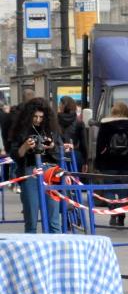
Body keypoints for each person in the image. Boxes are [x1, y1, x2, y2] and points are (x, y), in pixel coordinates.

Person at [7, 97, 64, 233]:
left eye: (41, 117)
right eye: (35, 116)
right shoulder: (21, 130)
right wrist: (25, 146)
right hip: (30, 172)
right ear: (29, 115)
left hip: (50, 172)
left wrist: (51, 145)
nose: (38, 120)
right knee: (31, 220)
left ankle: (55, 251)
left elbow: (59, 152)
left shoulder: (51, 129)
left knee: (53, 220)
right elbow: (15, 154)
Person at [93, 101, 128, 228]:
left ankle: (113, 211)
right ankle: (121, 215)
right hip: (127, 164)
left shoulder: (105, 125)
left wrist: (98, 163)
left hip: (108, 163)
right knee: (125, 190)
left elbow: (100, 145)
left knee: (109, 187)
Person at [57, 96, 88, 169]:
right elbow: (84, 145)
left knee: (61, 179)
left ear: (63, 106)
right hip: (75, 155)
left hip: (59, 154)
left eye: (60, 104)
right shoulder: (79, 122)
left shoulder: (54, 121)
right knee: (75, 178)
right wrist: (85, 162)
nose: (58, 106)